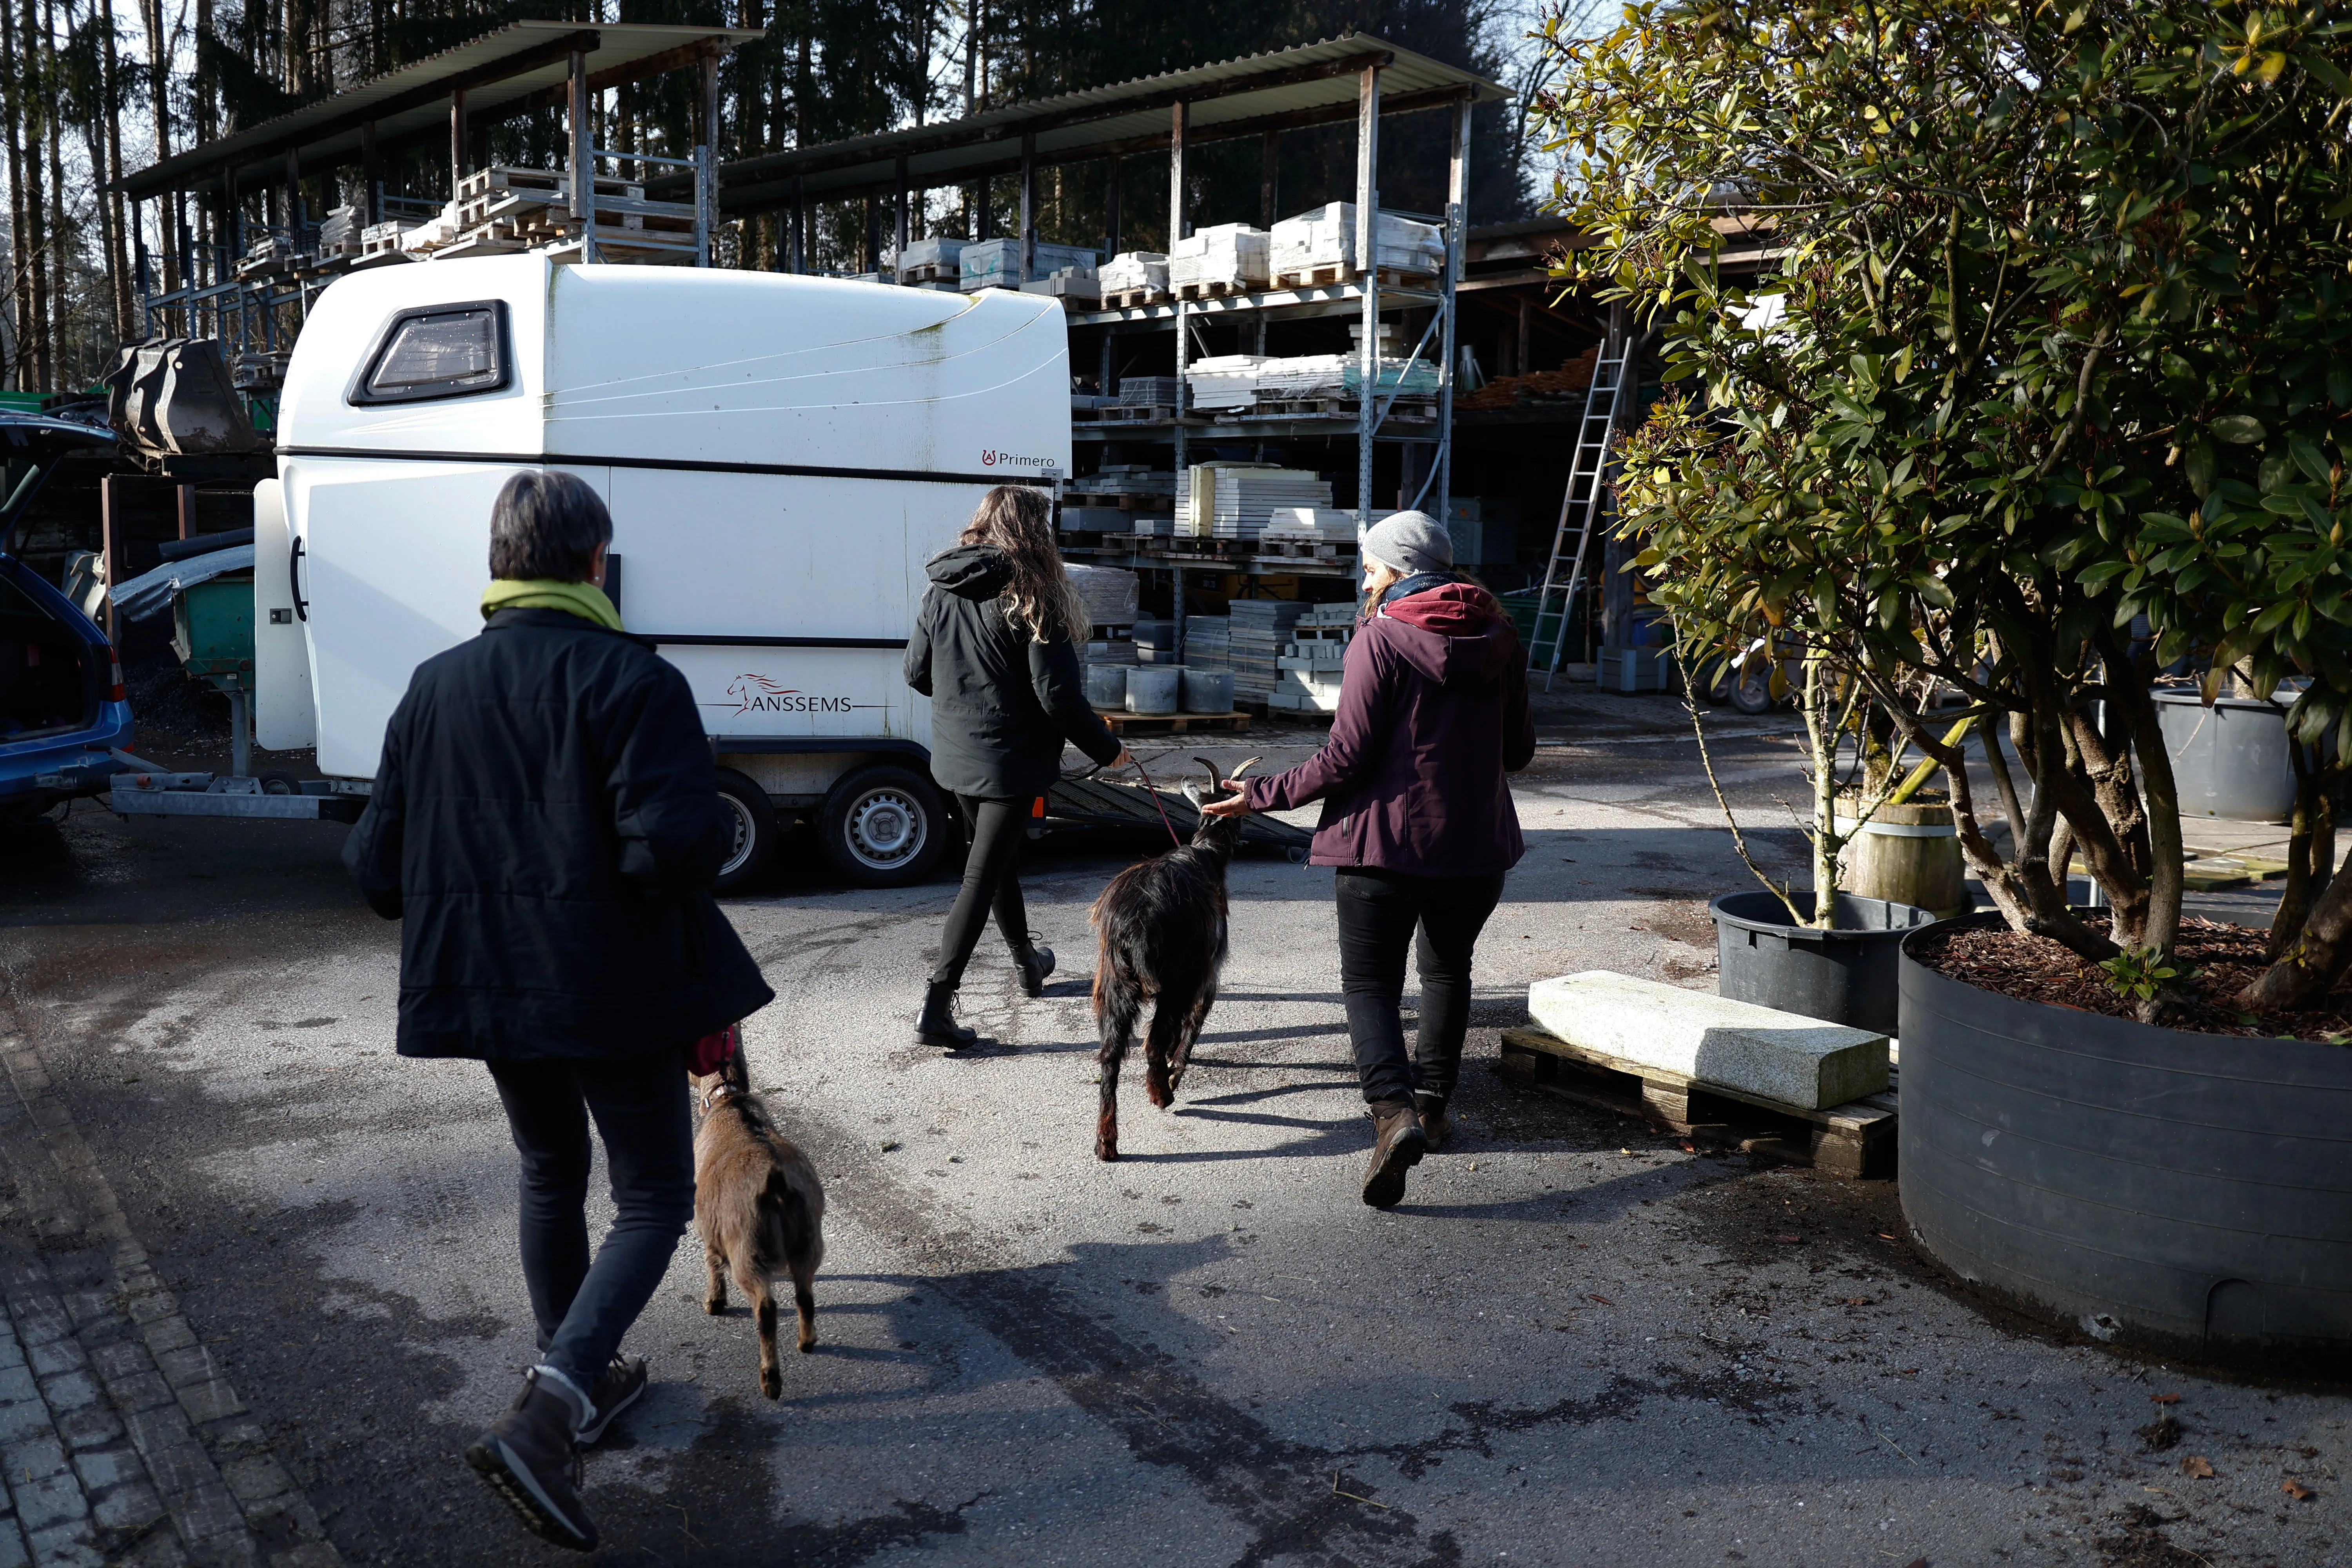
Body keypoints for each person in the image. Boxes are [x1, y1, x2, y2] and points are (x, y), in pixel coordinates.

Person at [344, 470, 773, 1552]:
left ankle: (572, 1371)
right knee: (652, 1198)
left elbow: (376, 868)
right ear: (595, 564)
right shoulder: (633, 679)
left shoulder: (432, 685)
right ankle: (553, 1405)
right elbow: (680, 842)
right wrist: (602, 875)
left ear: (496, 565)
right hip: (606, 979)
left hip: (486, 981)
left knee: (549, 1171)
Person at [1202, 510, 1533, 1208]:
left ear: (1399, 570)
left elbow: (1345, 758)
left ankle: (1393, 1116)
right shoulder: (1503, 637)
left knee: (1371, 987)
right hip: (1476, 847)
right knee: (1448, 971)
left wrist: (1260, 795)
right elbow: (1520, 752)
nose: (1365, 577)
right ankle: (1435, 1107)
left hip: (1383, 847)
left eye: (1371, 565)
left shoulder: (1380, 640)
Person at [904, 484, 1129, 1047]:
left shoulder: (943, 586)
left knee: (997, 861)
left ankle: (1028, 961)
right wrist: (1108, 748)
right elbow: (1056, 696)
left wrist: (972, 699)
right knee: (981, 877)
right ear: (1035, 531)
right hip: (1009, 760)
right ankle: (936, 1005)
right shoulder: (1035, 592)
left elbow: (917, 673)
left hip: (955, 754)